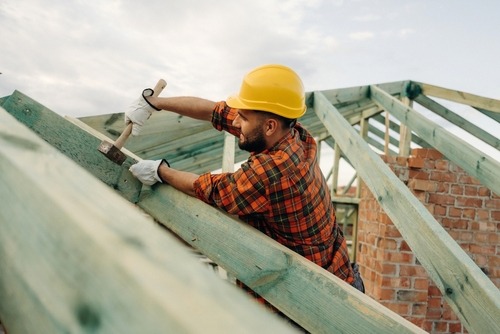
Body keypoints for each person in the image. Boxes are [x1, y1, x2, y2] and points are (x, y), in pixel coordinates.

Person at [127, 64, 364, 307]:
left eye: (244, 117)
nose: (236, 122)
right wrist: (155, 102)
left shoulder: (272, 171)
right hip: (340, 276)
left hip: (318, 301)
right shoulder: (293, 134)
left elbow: (205, 187)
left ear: (270, 126)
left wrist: (160, 171)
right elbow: (214, 111)